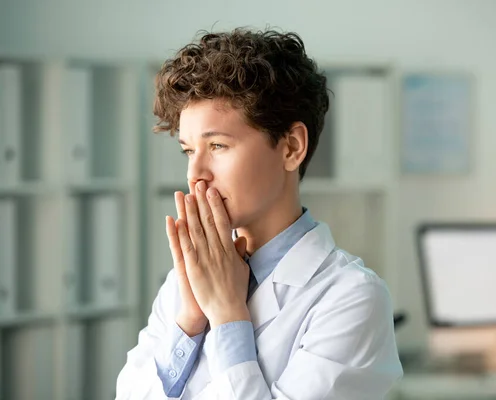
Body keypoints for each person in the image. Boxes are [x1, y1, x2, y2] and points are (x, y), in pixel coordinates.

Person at [116, 28, 402, 399]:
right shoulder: (186, 282)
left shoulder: (353, 298)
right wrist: (189, 323)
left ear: (291, 148)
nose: (195, 174)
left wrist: (226, 315)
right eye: (188, 151)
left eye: (217, 145)